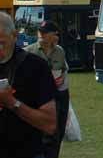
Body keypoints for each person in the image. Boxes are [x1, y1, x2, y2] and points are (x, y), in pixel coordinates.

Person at [0, 11, 57, 158]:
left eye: (1, 43)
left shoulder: (35, 67)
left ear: (14, 35)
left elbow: (49, 124)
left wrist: (12, 103)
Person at [26, 20, 70, 158]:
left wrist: (61, 78)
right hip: (37, 98)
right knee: (40, 132)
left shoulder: (60, 52)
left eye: (45, 33)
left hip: (59, 96)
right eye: (40, 32)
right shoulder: (28, 52)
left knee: (57, 133)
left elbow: (63, 70)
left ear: (54, 35)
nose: (41, 35)